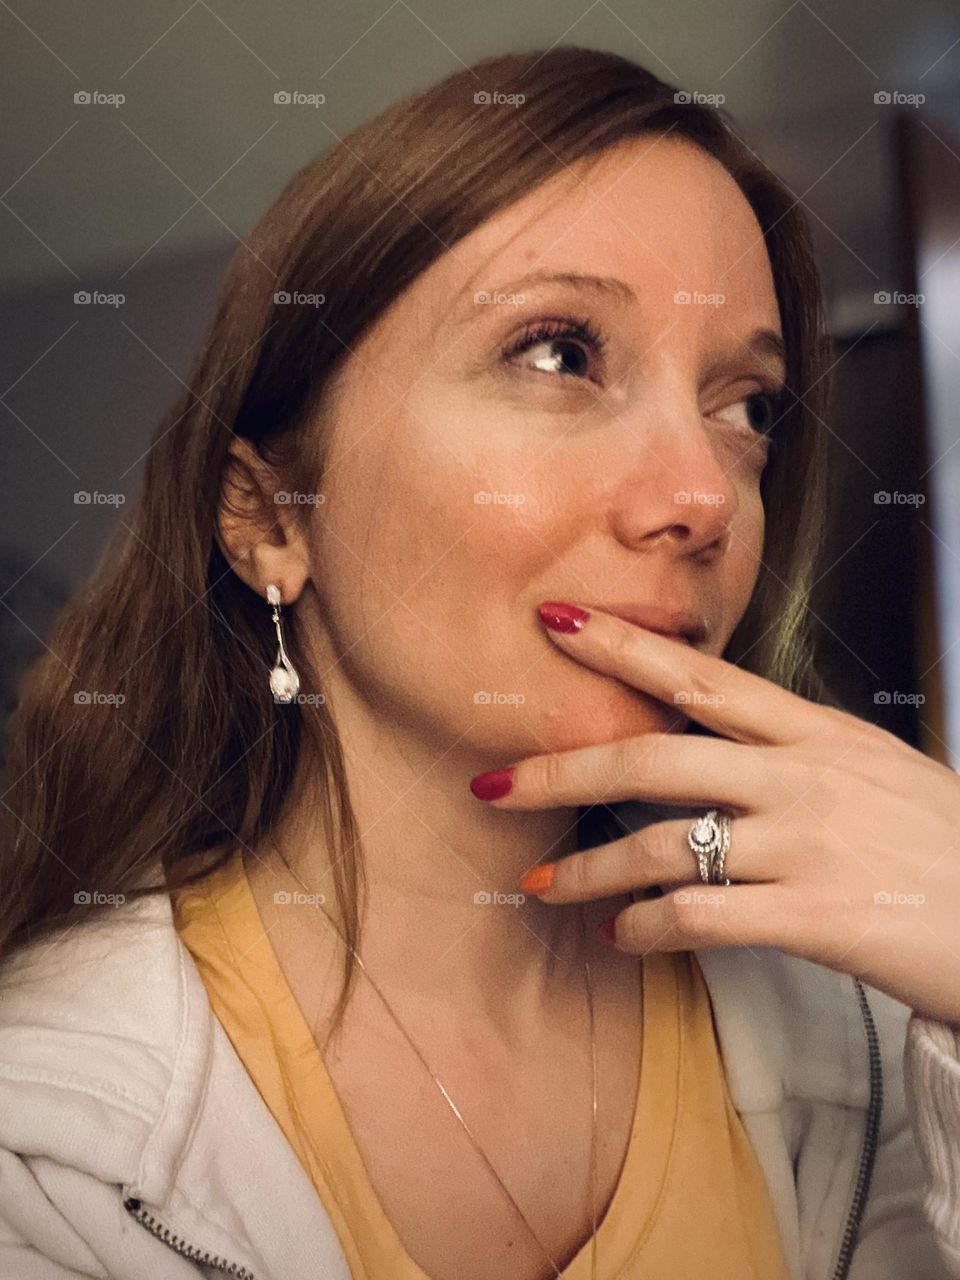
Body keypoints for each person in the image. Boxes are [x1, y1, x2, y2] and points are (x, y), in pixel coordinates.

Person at [1, 45, 958, 1280]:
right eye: (559, 352)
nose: (701, 497)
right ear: (272, 518)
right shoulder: (45, 1144)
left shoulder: (868, 1030)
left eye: (748, 407)